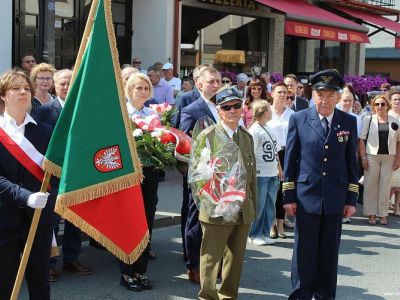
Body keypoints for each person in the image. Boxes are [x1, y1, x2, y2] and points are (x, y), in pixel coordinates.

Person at [283, 69, 359, 300]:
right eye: (320, 95)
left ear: (338, 97)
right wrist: (289, 196)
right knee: (304, 251)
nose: (324, 100)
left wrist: (351, 199)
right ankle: (302, 294)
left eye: (329, 95)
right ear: (312, 95)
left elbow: (351, 163)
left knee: (329, 252)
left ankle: (325, 294)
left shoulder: (348, 121)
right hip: (306, 196)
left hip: (335, 198)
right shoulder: (299, 118)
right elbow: (291, 159)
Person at [197, 86, 257, 299]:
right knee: (210, 259)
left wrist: (253, 207)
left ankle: (228, 296)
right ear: (219, 111)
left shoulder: (247, 137)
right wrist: (209, 203)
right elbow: (197, 177)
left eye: (236, 106)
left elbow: (252, 178)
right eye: (227, 107)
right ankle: (208, 296)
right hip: (216, 208)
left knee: (236, 259)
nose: (233, 110)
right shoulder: (208, 136)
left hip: (242, 209)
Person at [0, 69, 55, 300]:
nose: (23, 91)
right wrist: (25, 196)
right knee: (5, 283)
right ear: (3, 95)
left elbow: (55, 173)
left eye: (26, 88)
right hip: (5, 218)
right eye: (15, 88)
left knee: (39, 280)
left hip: (38, 219)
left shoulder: (45, 131)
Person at [34, 69, 93, 281]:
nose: (66, 87)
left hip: (77, 173)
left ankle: (71, 258)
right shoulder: (44, 111)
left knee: (74, 219)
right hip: (53, 174)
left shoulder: (84, 109)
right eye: (62, 84)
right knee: (50, 220)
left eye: (70, 83)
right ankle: (48, 262)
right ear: (54, 86)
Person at [180, 66, 221, 283]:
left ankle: (213, 264)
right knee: (195, 223)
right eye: (211, 81)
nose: (215, 85)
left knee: (217, 223)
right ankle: (193, 265)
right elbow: (185, 144)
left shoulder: (224, 107)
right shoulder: (191, 110)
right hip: (201, 176)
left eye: (218, 81)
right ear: (199, 84)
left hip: (222, 176)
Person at [119, 73, 159, 292]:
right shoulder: (121, 113)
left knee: (146, 220)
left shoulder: (153, 114)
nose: (142, 92)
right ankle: (126, 272)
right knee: (128, 222)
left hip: (149, 174)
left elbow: (160, 143)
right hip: (127, 175)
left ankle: (140, 270)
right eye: (138, 88)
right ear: (129, 90)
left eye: (146, 88)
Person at [359, 95, 400, 225]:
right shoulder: (368, 119)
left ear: (387, 105)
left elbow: (399, 142)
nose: (380, 107)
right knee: (371, 185)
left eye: (382, 104)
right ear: (373, 106)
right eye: (377, 104)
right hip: (372, 156)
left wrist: (398, 158)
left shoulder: (396, 121)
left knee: (385, 186)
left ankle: (383, 214)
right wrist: (363, 157)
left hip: (389, 157)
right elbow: (361, 140)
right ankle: (371, 213)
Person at [248, 100, 281, 246]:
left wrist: (280, 168)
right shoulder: (254, 130)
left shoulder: (270, 128)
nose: (271, 112)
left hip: (272, 172)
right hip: (260, 174)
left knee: (270, 205)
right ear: (265, 112)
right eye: (269, 109)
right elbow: (251, 154)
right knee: (259, 205)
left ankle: (266, 232)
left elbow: (276, 151)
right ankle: (254, 234)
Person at [267, 82, 294, 239]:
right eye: (279, 92)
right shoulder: (267, 112)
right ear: (272, 94)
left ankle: (281, 224)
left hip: (288, 154)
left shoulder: (292, 114)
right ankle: (271, 225)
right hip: (271, 155)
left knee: (284, 191)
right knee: (272, 191)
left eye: (285, 92)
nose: (283, 95)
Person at [388, 89, 400, 216]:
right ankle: (386, 203)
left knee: (399, 181)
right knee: (389, 180)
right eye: (395, 99)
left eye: (399, 99)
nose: (397, 102)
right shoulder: (387, 115)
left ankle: (396, 206)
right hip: (389, 151)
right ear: (390, 101)